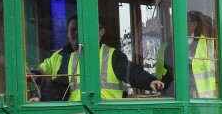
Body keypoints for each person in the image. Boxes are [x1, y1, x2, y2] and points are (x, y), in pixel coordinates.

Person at [29, 17, 164, 101]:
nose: (77, 33)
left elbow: (132, 72)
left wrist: (150, 81)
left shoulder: (112, 55)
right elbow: (59, 87)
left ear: (100, 32)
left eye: (81, 29)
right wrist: (41, 99)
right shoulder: (67, 58)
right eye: (73, 30)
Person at [156, 11, 219, 98]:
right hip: (174, 97)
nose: (177, 25)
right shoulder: (166, 45)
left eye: (182, 22)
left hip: (203, 99)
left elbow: (216, 70)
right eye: (175, 22)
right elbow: (159, 74)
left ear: (193, 25)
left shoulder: (208, 44)